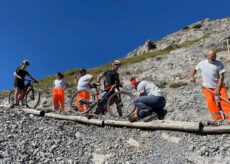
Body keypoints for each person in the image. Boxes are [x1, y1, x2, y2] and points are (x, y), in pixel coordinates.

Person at [190, 48, 230, 121]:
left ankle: (229, 117)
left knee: (225, 100)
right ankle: (218, 118)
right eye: (211, 57)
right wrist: (192, 76)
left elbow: (221, 77)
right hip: (207, 87)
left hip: (219, 85)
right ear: (207, 56)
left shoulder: (219, 64)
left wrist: (218, 89)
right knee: (210, 101)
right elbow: (194, 69)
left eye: (214, 56)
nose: (213, 58)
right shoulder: (202, 63)